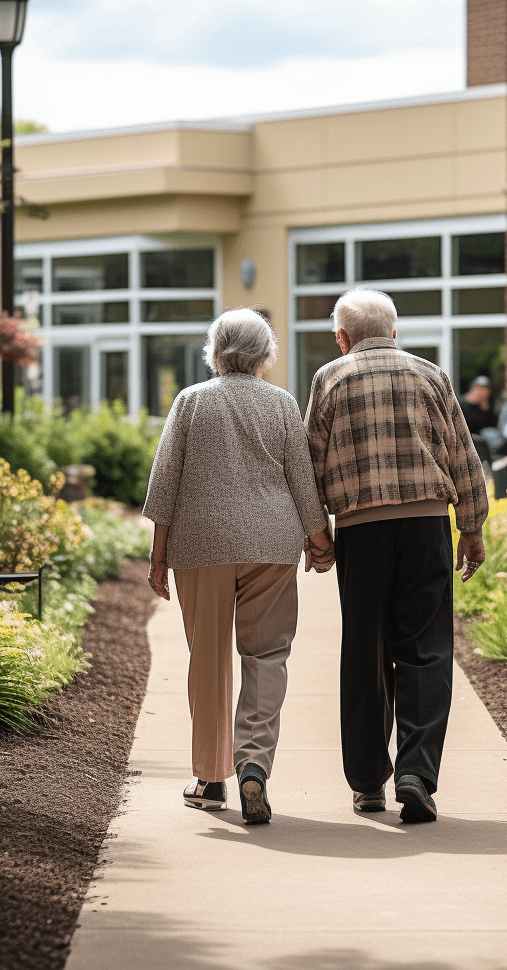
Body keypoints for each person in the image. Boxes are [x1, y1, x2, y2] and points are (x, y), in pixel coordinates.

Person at [143, 308, 335, 826]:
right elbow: (303, 483)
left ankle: (210, 777)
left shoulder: (190, 401)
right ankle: (253, 765)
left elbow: (164, 485)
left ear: (215, 350)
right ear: (265, 355)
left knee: (207, 659)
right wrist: (322, 544)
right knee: (267, 655)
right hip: (271, 544)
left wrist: (158, 558)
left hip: (200, 543)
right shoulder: (281, 404)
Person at [305, 288, 489, 824]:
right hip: (427, 523)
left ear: (343, 338)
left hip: (361, 531)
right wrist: (471, 527)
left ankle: (366, 784)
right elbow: (462, 453)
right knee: (426, 648)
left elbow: (310, 461)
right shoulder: (431, 375)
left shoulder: (329, 379)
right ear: (395, 330)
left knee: (365, 651)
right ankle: (416, 773)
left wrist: (316, 535)